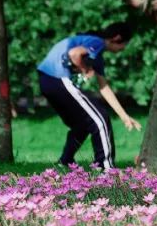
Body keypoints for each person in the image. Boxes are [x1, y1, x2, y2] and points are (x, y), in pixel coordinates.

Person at [37, 23, 141, 171]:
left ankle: (65, 162)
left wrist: (124, 116)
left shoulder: (97, 56)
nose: (123, 49)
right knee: (100, 118)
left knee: (82, 124)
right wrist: (85, 69)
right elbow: (74, 54)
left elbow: (104, 88)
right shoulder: (97, 42)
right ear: (117, 38)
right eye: (124, 44)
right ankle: (106, 168)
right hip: (57, 78)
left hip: (46, 81)